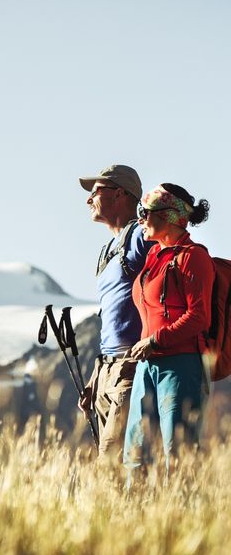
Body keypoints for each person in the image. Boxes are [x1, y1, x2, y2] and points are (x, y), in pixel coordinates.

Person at [123, 183, 214, 475]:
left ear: (170, 216)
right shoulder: (154, 259)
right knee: (134, 452)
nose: (140, 219)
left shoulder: (193, 257)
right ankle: (132, 516)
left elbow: (199, 317)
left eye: (146, 212)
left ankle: (179, 517)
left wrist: (155, 339)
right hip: (147, 366)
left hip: (181, 367)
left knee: (177, 453)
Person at [78, 164, 154, 459]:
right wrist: (95, 379)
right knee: (112, 462)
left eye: (95, 191)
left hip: (129, 368)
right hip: (106, 371)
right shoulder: (108, 250)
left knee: (111, 463)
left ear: (120, 194)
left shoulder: (137, 236)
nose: (89, 199)